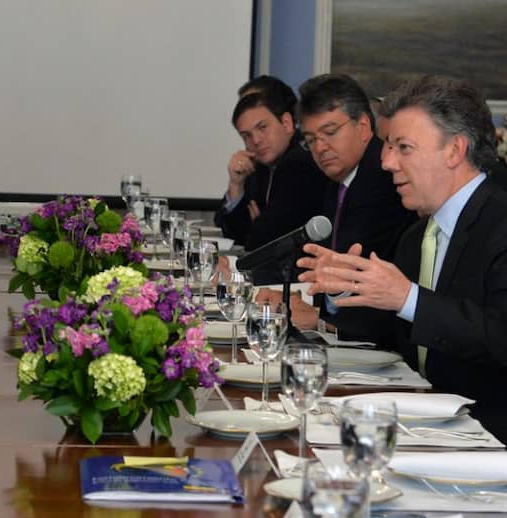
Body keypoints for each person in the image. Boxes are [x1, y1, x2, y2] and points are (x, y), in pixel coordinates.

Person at [298, 75, 507, 438]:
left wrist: (407, 297)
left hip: (489, 436)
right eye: (388, 146)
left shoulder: (500, 222)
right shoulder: (418, 235)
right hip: (420, 424)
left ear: (454, 150)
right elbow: (400, 331)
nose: (386, 161)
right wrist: (347, 288)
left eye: (403, 147)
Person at [258, 74, 415, 336]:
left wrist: (320, 320)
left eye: (330, 133)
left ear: (363, 126)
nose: (320, 147)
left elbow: (374, 294)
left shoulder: (384, 181)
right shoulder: (340, 179)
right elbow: (329, 272)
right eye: (310, 140)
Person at [214, 82, 329, 280]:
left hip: (301, 278)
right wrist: (236, 185)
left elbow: (262, 242)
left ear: (287, 123)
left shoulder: (301, 162)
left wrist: (258, 225)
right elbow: (235, 236)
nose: (256, 140)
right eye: (246, 136)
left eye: (262, 127)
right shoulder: (261, 166)